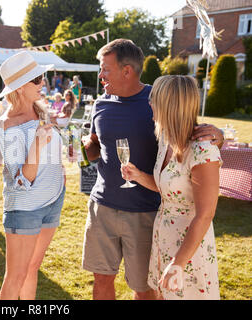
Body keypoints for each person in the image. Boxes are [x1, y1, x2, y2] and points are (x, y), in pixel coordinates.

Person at [81, 39, 224, 300]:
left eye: (105, 69)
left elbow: (190, 134)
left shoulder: (159, 100)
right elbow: (95, 147)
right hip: (106, 207)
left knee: (146, 289)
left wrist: (219, 135)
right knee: (101, 279)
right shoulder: (101, 105)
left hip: (147, 215)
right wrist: (86, 147)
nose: (100, 75)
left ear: (127, 71)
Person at [121, 75, 221, 300]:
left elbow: (205, 214)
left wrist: (178, 263)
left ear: (169, 104)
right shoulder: (167, 140)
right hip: (163, 237)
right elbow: (168, 189)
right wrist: (137, 176)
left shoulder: (203, 150)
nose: (149, 102)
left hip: (189, 248)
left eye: (154, 98)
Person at [0, 51, 66, 300]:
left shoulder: (40, 111)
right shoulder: (8, 124)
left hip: (52, 201)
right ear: (19, 87)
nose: (42, 83)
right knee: (16, 275)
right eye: (36, 79)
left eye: (41, 77)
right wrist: (37, 144)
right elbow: (21, 182)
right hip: (26, 208)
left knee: (32, 268)